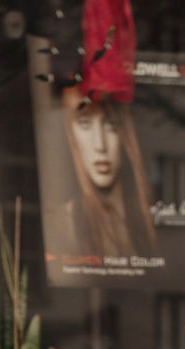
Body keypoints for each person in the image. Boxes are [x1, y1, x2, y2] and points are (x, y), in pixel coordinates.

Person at [59, 85, 157, 260]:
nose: (100, 145)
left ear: (126, 134)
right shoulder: (61, 224)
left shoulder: (150, 221)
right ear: (70, 132)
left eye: (110, 124)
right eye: (84, 123)